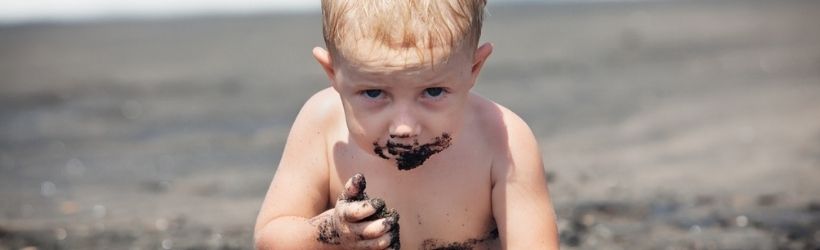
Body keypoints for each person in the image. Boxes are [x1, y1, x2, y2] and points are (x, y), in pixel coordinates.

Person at [254, 0, 558, 249]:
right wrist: (330, 231)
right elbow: (270, 238)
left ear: (473, 69)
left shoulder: (502, 140)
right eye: (374, 93)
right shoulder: (323, 126)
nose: (404, 127)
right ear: (333, 73)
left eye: (433, 92)